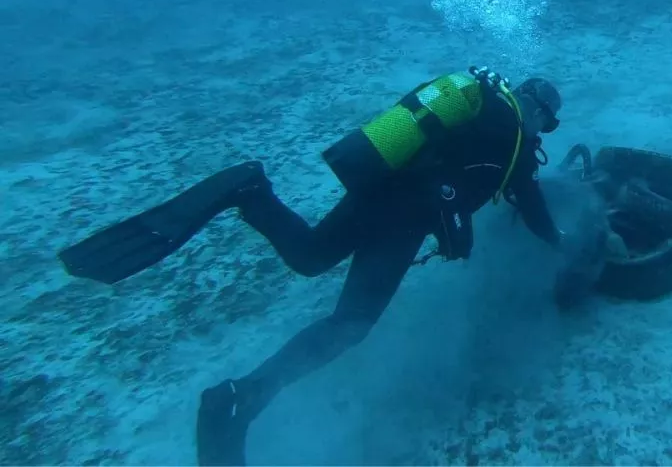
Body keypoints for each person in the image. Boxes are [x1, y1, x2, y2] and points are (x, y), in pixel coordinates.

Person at [57, 67, 566, 466]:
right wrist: (560, 242)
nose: (544, 130)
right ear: (539, 111)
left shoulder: (478, 105)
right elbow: (531, 203)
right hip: (400, 219)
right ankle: (246, 396)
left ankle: (251, 191)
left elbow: (441, 164)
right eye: (548, 121)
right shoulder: (515, 141)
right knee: (350, 326)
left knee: (309, 257)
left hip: (376, 191)